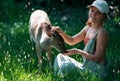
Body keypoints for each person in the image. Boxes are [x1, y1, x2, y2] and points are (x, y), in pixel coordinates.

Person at [52, 0, 110, 78]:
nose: (93, 14)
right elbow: (72, 41)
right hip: (85, 67)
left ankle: (61, 77)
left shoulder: (102, 33)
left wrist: (78, 52)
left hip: (96, 72)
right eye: (92, 10)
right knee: (60, 56)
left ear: (104, 16)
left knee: (66, 66)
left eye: (98, 12)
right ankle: (58, 78)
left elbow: (97, 58)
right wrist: (61, 32)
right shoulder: (88, 28)